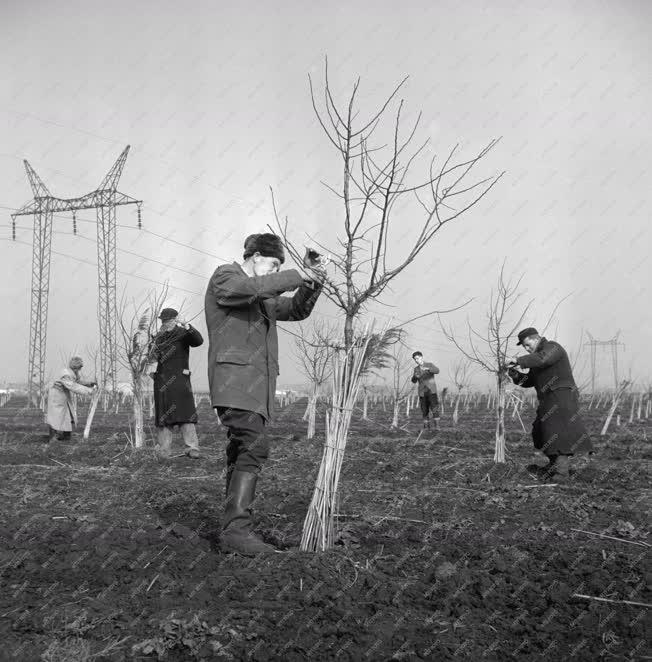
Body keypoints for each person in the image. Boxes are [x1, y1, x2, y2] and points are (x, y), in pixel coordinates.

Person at [205, 233, 326, 555]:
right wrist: (298, 273)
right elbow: (247, 289)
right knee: (255, 447)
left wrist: (313, 279)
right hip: (234, 384)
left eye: (278, 268)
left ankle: (233, 530)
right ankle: (237, 531)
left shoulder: (262, 295)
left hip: (256, 389)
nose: (274, 272)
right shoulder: (226, 277)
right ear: (255, 256)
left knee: (242, 452)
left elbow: (297, 310)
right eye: (272, 265)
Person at [507, 327, 593, 479]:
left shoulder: (552, 347)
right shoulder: (536, 358)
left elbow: (543, 359)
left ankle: (562, 473)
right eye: (525, 347)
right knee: (540, 431)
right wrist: (515, 374)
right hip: (548, 399)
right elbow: (530, 381)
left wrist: (519, 361)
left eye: (528, 344)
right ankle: (554, 464)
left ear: (536, 338)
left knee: (557, 433)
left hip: (561, 397)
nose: (527, 349)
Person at [149, 308, 204, 459]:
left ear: (175, 319)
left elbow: (198, 341)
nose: (165, 323)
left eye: (168, 320)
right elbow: (152, 358)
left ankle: (192, 449)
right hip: (161, 383)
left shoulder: (183, 333)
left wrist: (187, 325)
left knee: (186, 415)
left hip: (180, 381)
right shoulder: (157, 337)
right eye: (163, 320)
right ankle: (163, 451)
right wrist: (152, 370)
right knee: (163, 419)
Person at [46, 356, 96, 442]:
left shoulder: (72, 373)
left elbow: (77, 382)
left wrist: (89, 383)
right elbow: (73, 386)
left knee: (67, 416)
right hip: (57, 395)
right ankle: (53, 437)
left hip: (63, 394)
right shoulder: (66, 374)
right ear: (75, 367)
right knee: (56, 416)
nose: (80, 369)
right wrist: (89, 391)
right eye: (79, 367)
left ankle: (66, 435)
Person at [411, 351, 440, 430]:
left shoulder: (429, 365)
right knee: (424, 410)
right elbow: (413, 381)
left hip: (431, 391)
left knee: (434, 408)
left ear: (421, 357)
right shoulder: (416, 369)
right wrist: (415, 377)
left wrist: (428, 369)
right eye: (415, 359)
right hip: (422, 393)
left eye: (417, 358)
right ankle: (426, 428)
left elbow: (437, 370)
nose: (416, 360)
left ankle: (437, 427)